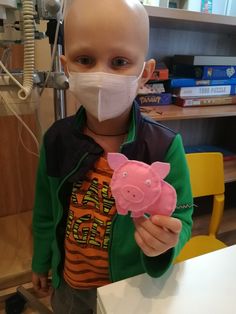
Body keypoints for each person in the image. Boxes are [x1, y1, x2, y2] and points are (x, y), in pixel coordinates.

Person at [31, 0, 193, 313]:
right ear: (66, 67)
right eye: (85, 59)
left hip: (132, 288)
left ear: (144, 73)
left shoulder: (164, 147)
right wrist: (41, 260)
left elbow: (182, 217)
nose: (101, 76)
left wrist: (165, 243)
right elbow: (45, 211)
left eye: (119, 61)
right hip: (71, 288)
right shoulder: (57, 140)